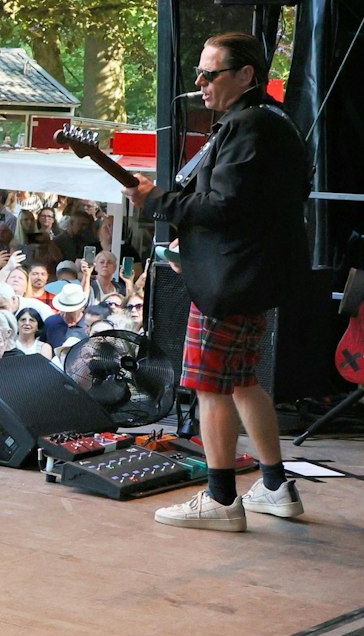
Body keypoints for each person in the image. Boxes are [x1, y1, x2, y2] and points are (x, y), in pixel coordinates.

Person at [128, 31, 312, 532]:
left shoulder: (248, 127)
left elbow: (226, 208)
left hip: (230, 283)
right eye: (199, 74)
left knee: (209, 387)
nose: (200, 84)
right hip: (249, 276)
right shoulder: (273, 122)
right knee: (244, 382)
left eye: (211, 74)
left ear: (246, 75)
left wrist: (159, 202)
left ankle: (221, 499)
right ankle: (274, 486)